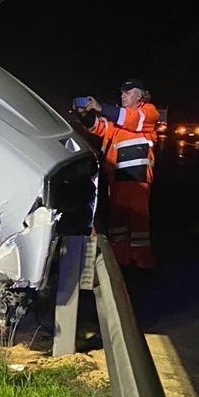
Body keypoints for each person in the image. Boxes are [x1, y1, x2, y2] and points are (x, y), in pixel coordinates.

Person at [77, 79, 159, 269]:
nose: (123, 95)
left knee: (137, 218)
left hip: (135, 177)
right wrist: (84, 115)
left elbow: (129, 119)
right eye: (122, 92)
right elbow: (98, 128)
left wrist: (100, 107)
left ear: (140, 96)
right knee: (118, 219)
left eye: (128, 92)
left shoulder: (148, 112)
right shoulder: (118, 119)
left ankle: (141, 260)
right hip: (116, 178)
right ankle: (121, 257)